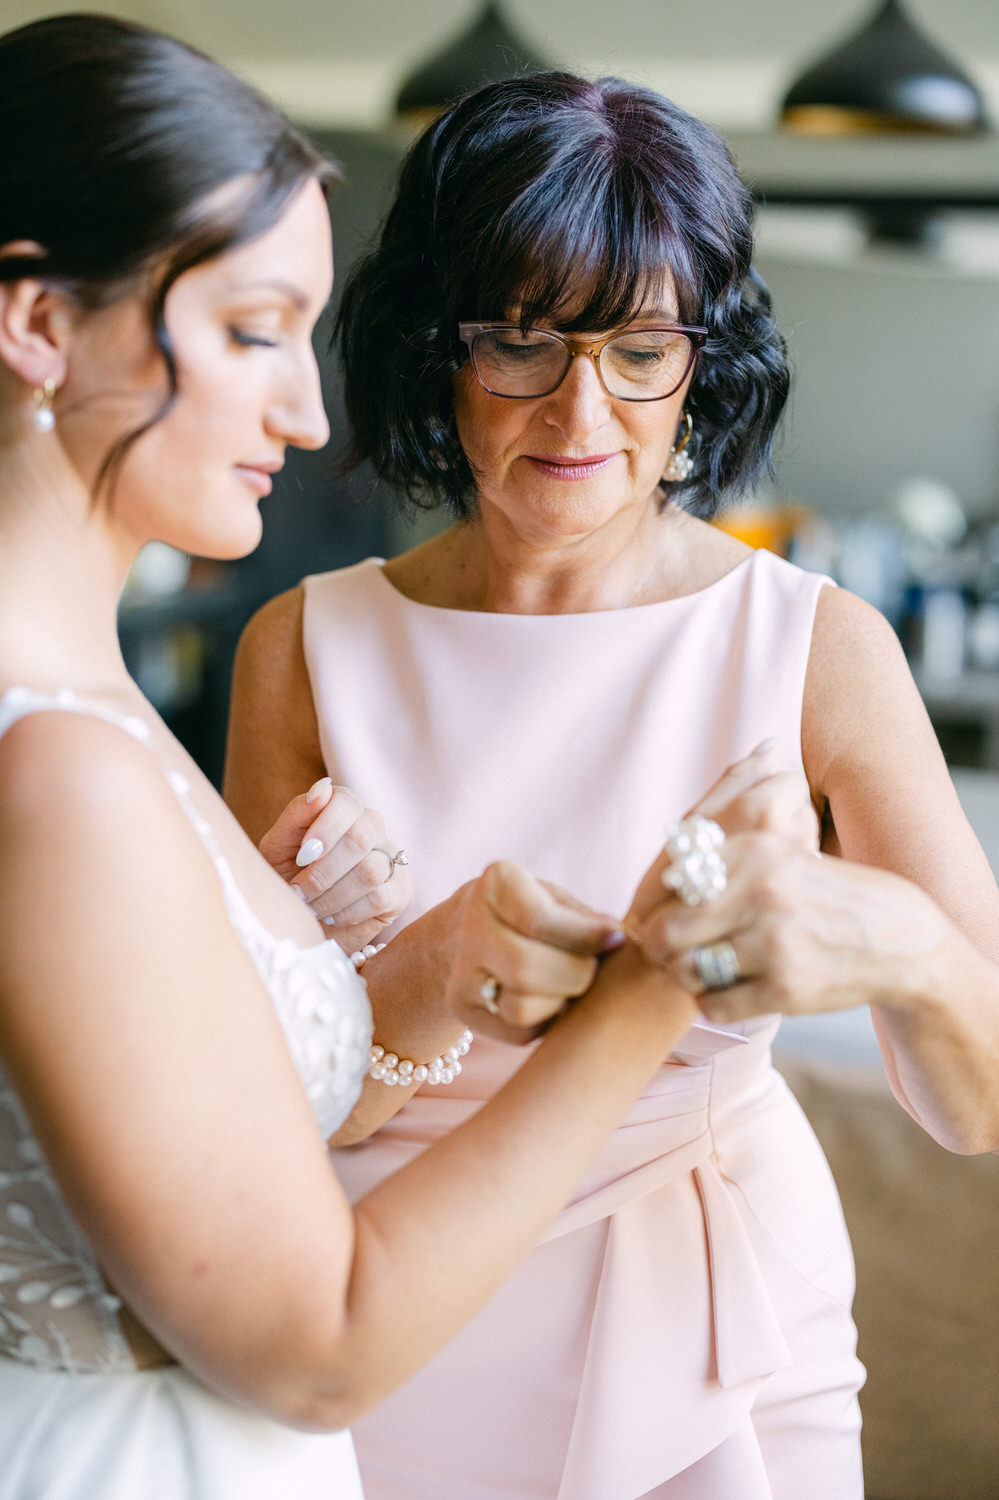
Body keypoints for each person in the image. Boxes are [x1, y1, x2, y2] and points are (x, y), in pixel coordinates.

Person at [226, 71, 999, 1500]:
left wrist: (893, 941)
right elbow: (230, 1120)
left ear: (701, 361)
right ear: (430, 351)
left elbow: (982, 1105)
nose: (584, 409)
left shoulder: (816, 650)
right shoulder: (306, 648)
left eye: (641, 346)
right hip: (386, 1322)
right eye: (523, 341)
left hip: (715, 1330)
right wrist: (368, 990)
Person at [0, 24, 748, 1499]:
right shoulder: (68, 765)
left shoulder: (77, 710)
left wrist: (369, 965)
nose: (310, 412)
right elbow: (316, 1344)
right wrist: (654, 990)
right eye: (250, 329)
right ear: (36, 326)